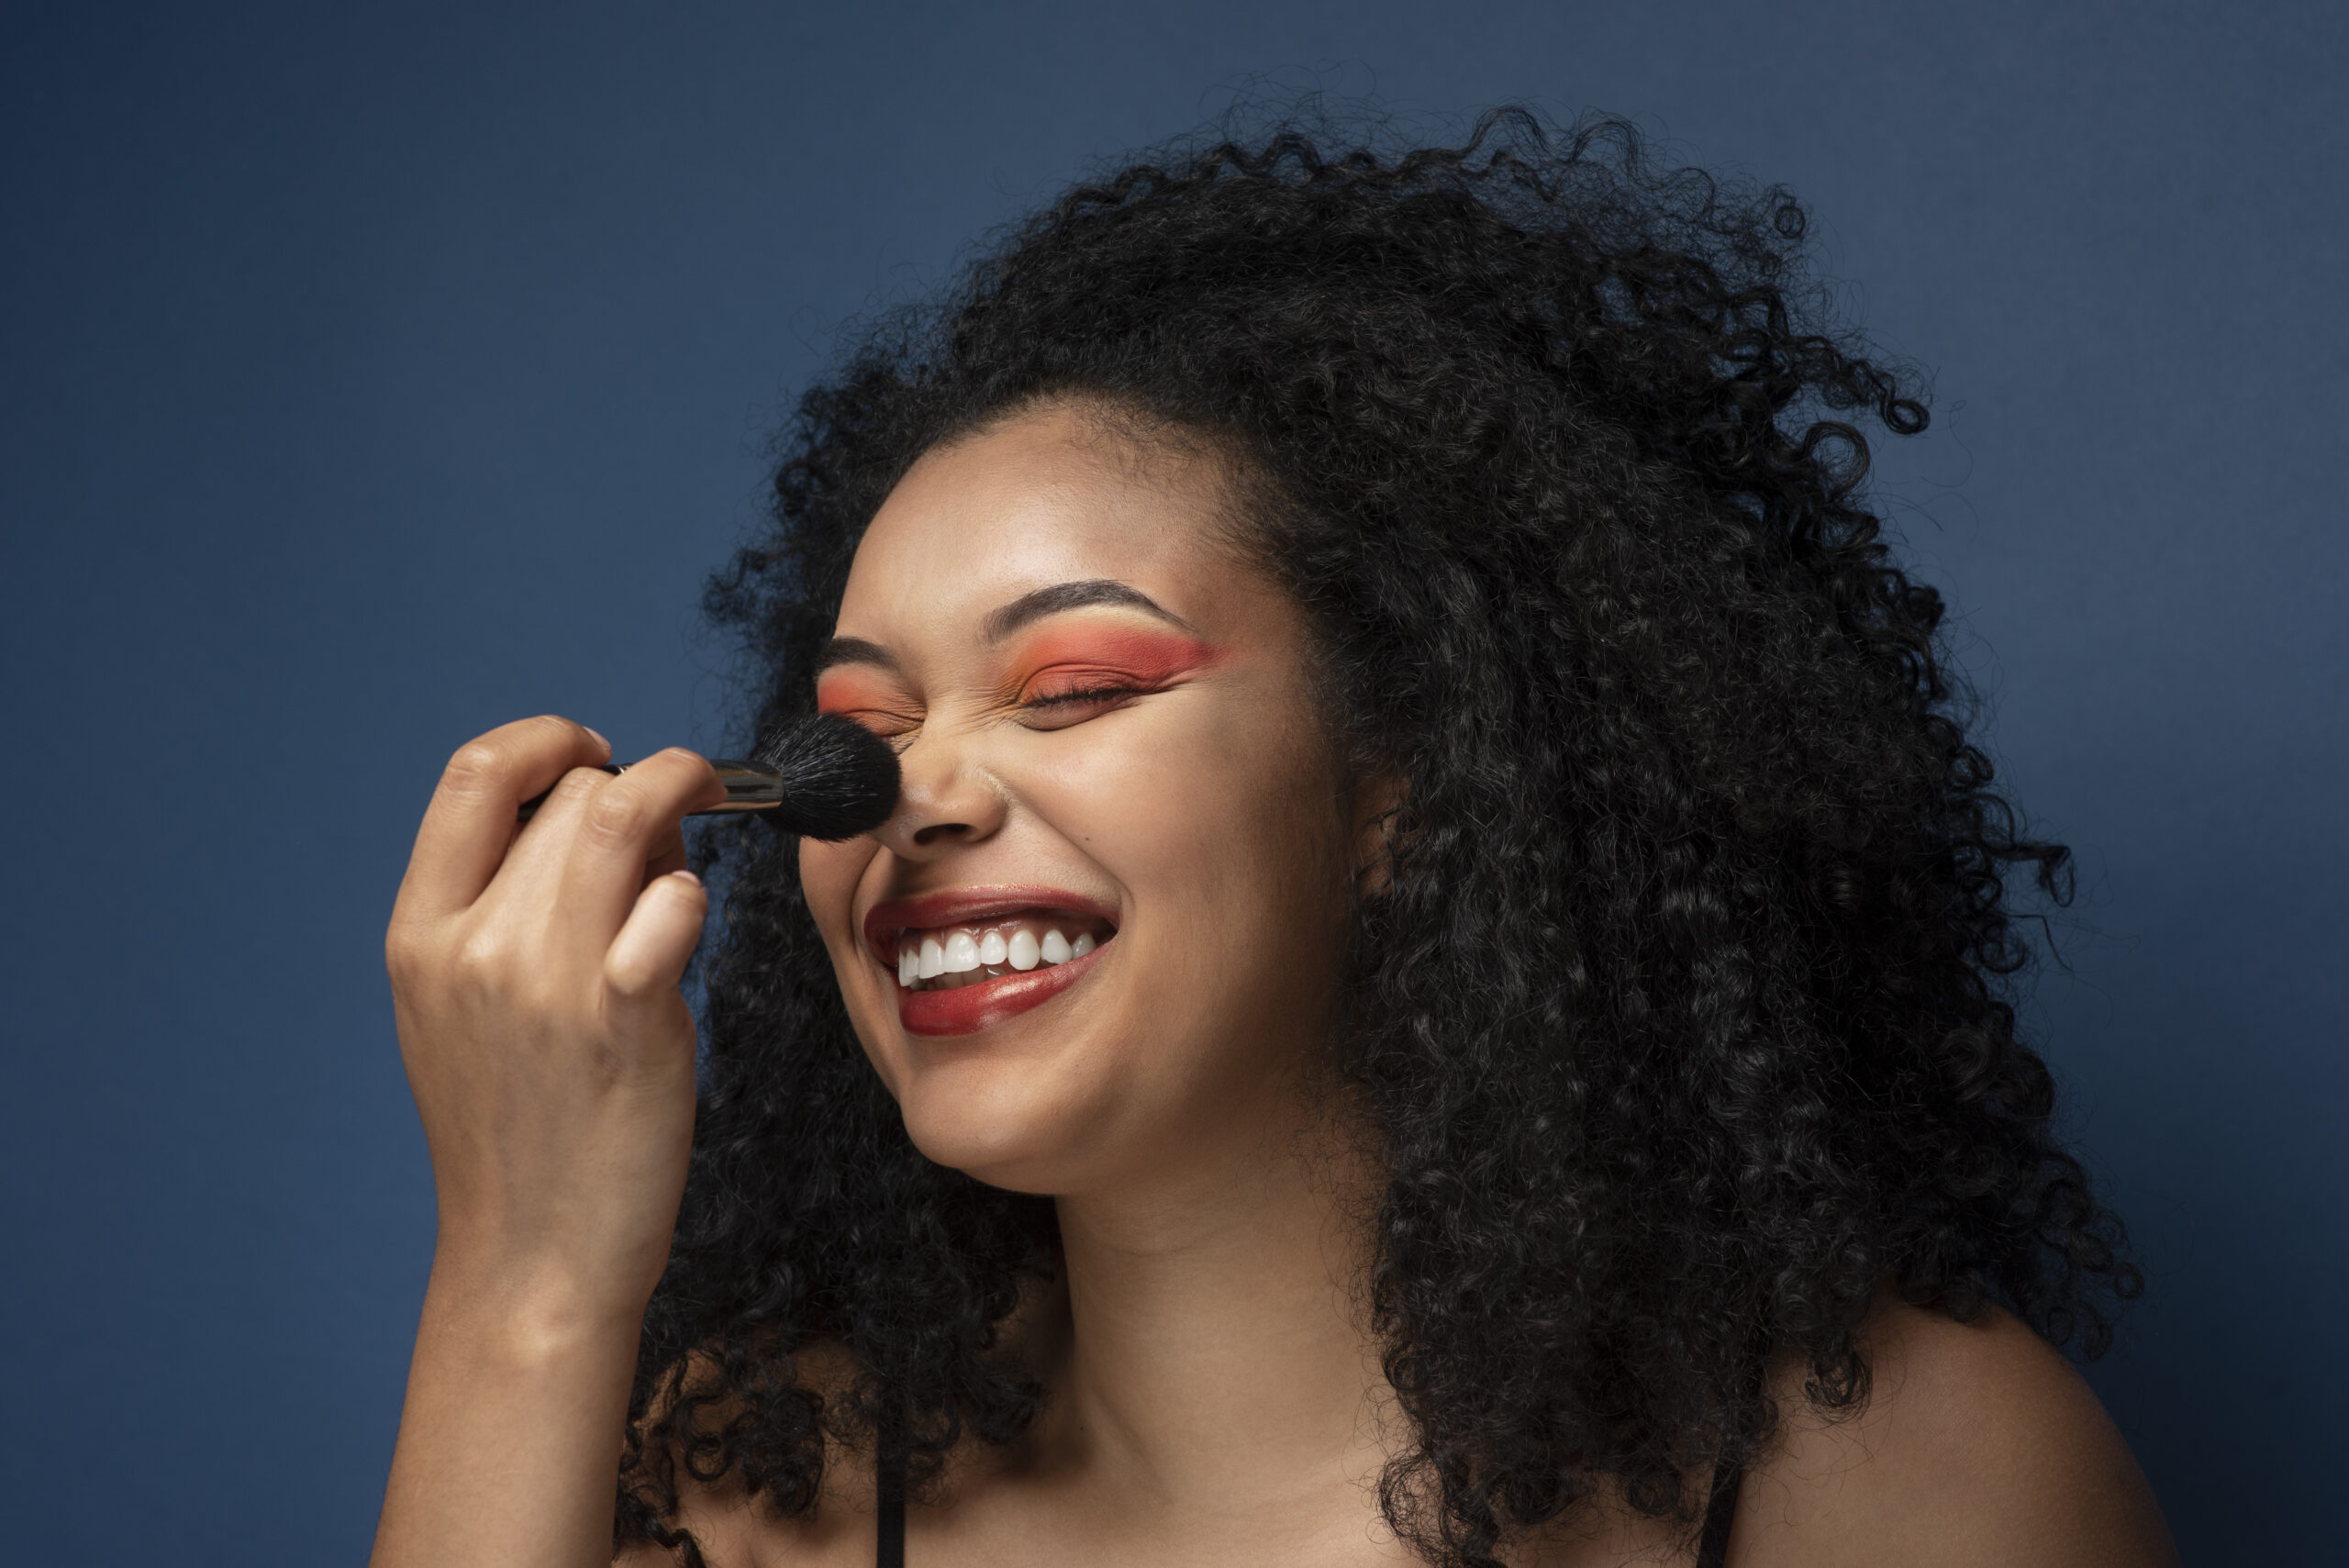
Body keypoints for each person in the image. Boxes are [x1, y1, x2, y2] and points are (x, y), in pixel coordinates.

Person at [370, 112, 2178, 1568]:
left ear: (1409, 782)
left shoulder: (1898, 1487)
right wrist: (524, 1281)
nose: (917, 795)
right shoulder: (741, 1492)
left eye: (1077, 688)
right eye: (862, 727)